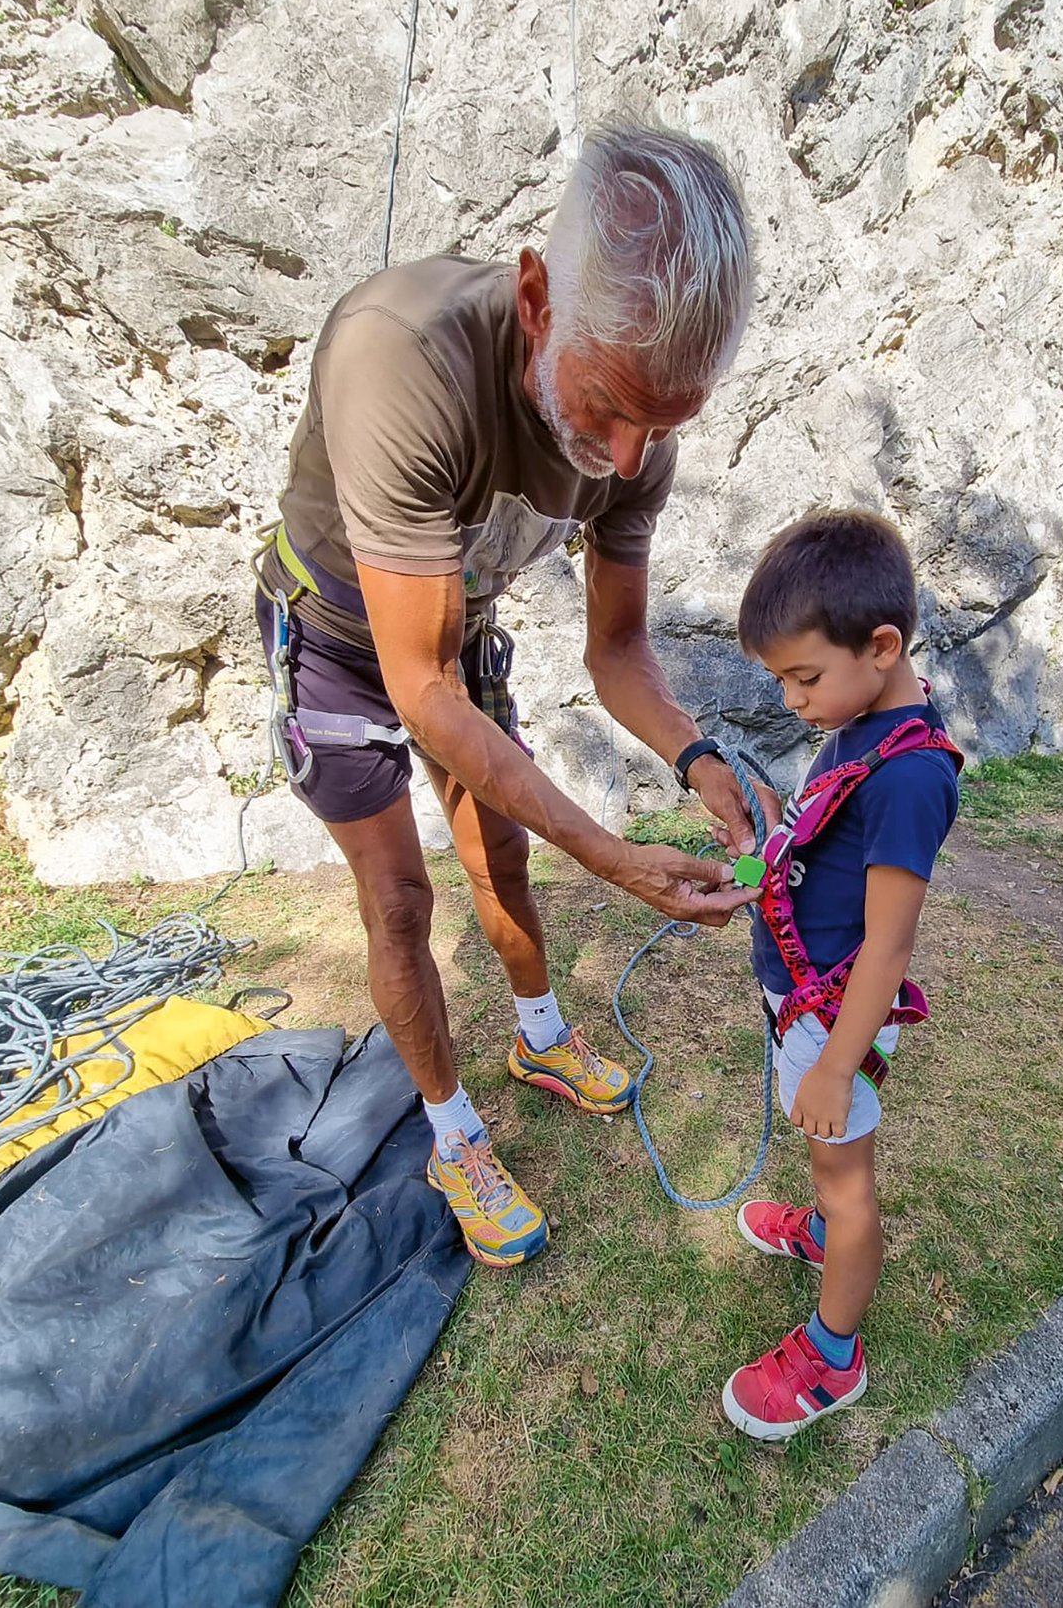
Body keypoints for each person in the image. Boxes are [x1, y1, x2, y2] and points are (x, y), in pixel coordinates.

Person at [254, 120, 775, 1270]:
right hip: (339, 641)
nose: (629, 457)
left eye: (665, 425)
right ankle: (451, 1137)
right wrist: (612, 852)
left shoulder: (640, 426)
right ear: (536, 299)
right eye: (607, 410)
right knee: (399, 900)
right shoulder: (402, 356)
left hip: (457, 632)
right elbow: (418, 684)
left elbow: (619, 651)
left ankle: (539, 1037)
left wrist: (702, 761)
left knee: (501, 858)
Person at [718, 508, 962, 1441]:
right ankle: (819, 1234)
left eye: (803, 677)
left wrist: (832, 1065)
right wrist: (759, 856)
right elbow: (822, 845)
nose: (791, 701)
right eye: (782, 680)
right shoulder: (860, 723)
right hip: (808, 1008)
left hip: (835, 1023)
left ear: (882, 645)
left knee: (847, 1181)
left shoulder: (910, 777)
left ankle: (834, 1354)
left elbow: (889, 947)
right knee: (830, 1166)